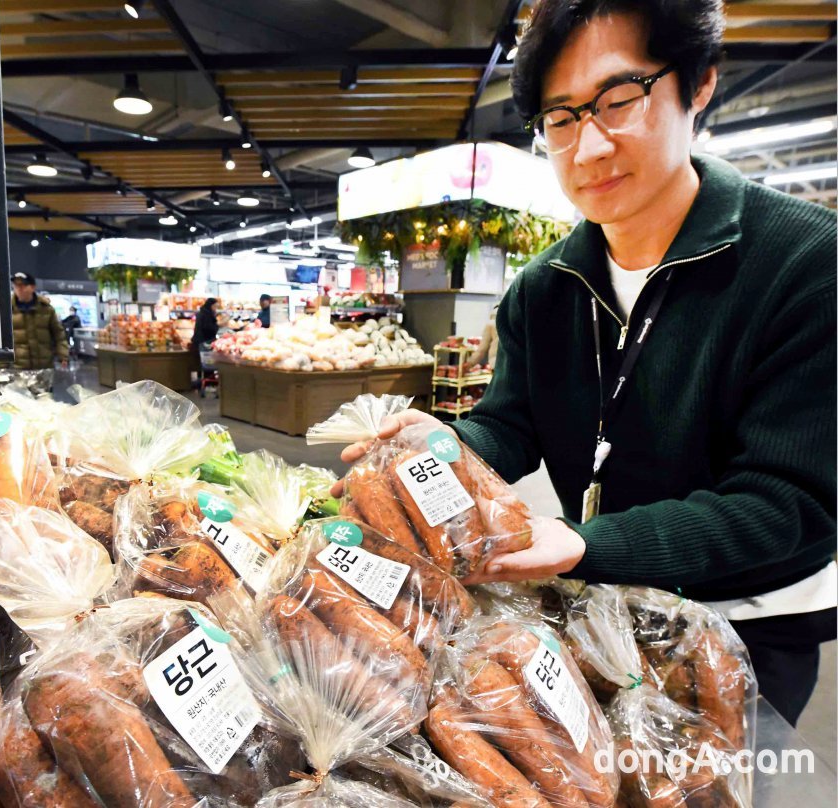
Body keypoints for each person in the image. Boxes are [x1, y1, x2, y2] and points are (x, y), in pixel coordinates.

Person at [333, 0, 835, 725]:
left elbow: (788, 502)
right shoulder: (543, 287)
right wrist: (448, 444)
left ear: (698, 83)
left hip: (747, 624)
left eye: (619, 99)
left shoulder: (807, 264)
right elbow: (511, 425)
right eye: (561, 118)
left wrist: (588, 543)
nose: (589, 146)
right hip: (598, 604)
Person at [11, 272, 68, 370]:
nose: (19, 289)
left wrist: (63, 355)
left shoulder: (46, 309)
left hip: (44, 366)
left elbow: (59, 334)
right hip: (18, 367)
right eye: (16, 286)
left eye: (23, 285)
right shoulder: (8, 310)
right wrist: (2, 365)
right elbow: (3, 340)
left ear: (32, 287)